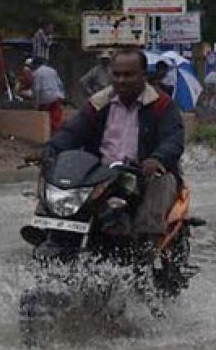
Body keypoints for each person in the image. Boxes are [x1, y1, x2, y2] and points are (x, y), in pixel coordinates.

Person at [45, 48, 184, 234]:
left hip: (143, 174)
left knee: (160, 185)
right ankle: (47, 228)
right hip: (100, 174)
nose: (121, 80)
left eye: (128, 75)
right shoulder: (98, 103)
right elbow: (72, 132)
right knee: (58, 184)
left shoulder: (162, 105)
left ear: (143, 75)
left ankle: (146, 245)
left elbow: (173, 138)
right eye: (117, 75)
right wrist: (50, 149)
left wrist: (157, 158)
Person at [29, 57, 66, 132]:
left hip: (45, 99)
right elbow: (60, 84)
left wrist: (35, 104)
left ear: (35, 65)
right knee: (56, 120)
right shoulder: (52, 70)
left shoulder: (36, 73)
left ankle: (46, 136)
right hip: (56, 97)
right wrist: (62, 96)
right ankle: (57, 135)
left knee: (44, 120)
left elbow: (37, 89)